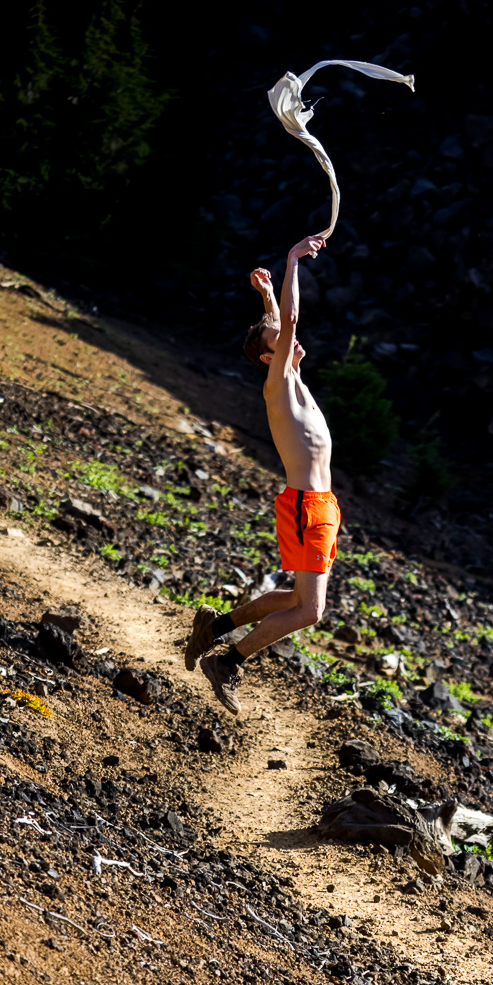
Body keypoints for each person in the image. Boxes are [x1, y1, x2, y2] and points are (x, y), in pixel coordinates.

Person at [184, 234, 340, 714]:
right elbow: (288, 322)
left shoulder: (290, 376)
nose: (292, 336)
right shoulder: (278, 383)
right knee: (310, 611)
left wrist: (266, 293)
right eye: (280, 339)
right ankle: (229, 661)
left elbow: (279, 323)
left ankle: (216, 627)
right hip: (304, 505)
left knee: (296, 598)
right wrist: (293, 260)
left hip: (323, 504)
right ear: (270, 358)